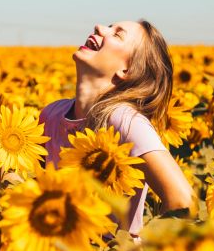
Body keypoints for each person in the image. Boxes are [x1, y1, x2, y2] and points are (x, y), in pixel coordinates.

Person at [39, 20, 194, 236]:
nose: (99, 28)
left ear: (127, 70)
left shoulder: (124, 120)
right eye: (108, 27)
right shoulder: (51, 115)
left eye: (117, 34)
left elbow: (182, 199)